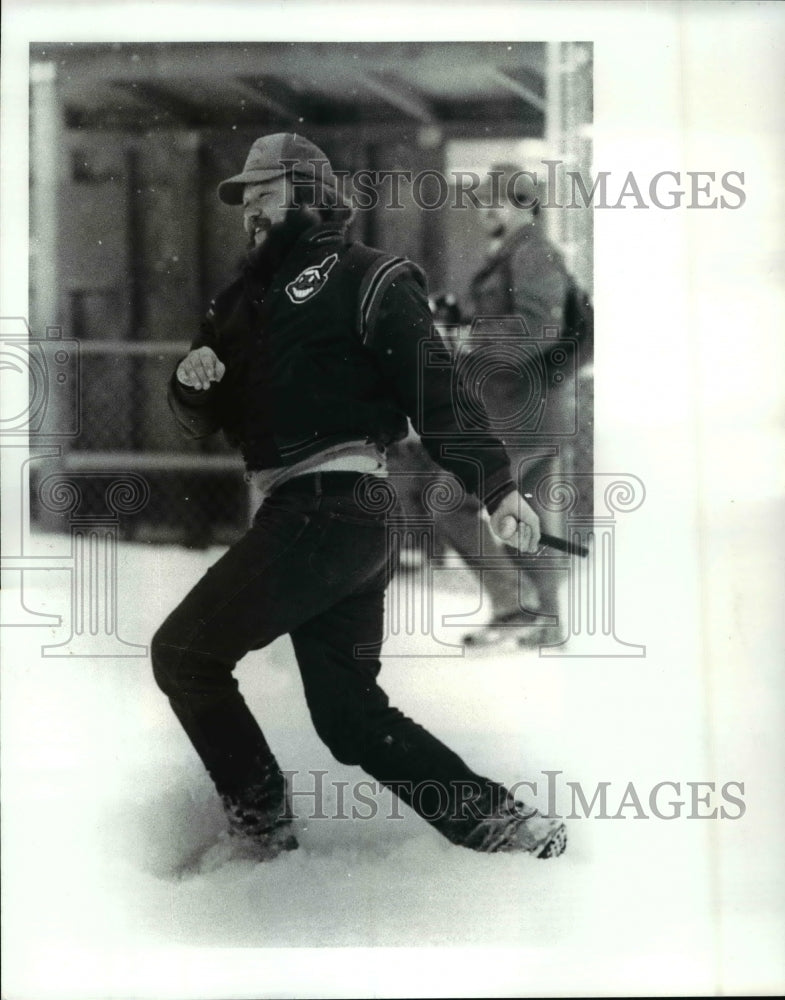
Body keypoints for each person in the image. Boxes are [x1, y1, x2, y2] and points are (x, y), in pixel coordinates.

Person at [152, 133, 566, 863]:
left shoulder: (366, 275)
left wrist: (496, 485)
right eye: (243, 201)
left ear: (309, 196)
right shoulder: (238, 302)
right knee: (348, 716)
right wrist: (192, 379)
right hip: (318, 518)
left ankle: (261, 827)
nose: (250, 212)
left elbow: (434, 390)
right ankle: (502, 825)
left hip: (332, 505)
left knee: (185, 654)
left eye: (265, 195)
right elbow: (200, 413)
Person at [397, 163, 594, 646]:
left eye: (498, 199)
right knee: (519, 512)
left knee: (446, 497)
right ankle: (545, 621)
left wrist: (468, 335)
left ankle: (512, 605)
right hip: (528, 412)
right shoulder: (514, 253)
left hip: (520, 413)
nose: (486, 207)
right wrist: (455, 313)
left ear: (525, 205)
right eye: (483, 199)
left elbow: (538, 328)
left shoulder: (533, 253)